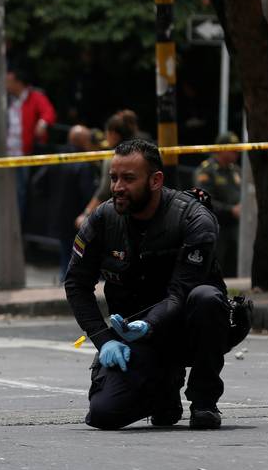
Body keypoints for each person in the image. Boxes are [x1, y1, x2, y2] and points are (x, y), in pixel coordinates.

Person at [65, 139, 232, 430]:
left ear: (155, 180)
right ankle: (163, 388)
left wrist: (151, 323)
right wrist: (103, 340)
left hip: (187, 327)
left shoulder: (193, 219)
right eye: (114, 178)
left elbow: (181, 292)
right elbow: (76, 283)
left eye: (128, 179)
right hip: (135, 337)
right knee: (104, 414)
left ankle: (204, 400)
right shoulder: (103, 219)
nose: (117, 187)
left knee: (207, 298)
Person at [46, 125, 98, 281]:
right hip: (79, 218)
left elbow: (38, 184)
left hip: (60, 216)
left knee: (66, 257)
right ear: (84, 142)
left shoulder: (57, 159)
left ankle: (65, 285)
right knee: (80, 257)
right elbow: (88, 192)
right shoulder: (83, 163)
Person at [5, 68, 57, 218]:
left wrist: (43, 123)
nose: (6, 85)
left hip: (24, 153)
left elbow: (49, 112)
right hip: (6, 152)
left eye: (9, 81)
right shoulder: (6, 99)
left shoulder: (35, 96)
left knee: (21, 189)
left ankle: (18, 222)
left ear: (18, 83)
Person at [75, 112, 136, 230]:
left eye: (106, 132)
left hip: (120, 213)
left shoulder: (112, 157)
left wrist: (86, 213)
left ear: (113, 134)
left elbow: (103, 191)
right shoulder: (139, 152)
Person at [194, 131, 241, 277]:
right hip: (216, 227)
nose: (236, 152)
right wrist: (230, 210)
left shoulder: (236, 170)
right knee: (216, 268)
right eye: (232, 149)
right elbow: (203, 199)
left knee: (234, 268)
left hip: (235, 227)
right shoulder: (206, 171)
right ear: (221, 149)